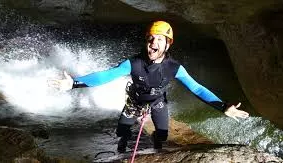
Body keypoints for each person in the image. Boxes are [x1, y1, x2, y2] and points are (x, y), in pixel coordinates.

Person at [49, 21, 249, 153]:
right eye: (150, 38)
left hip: (157, 102)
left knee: (161, 135)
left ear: (167, 45)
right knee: (123, 131)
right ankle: (121, 149)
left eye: (159, 39)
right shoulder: (133, 63)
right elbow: (105, 76)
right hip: (135, 101)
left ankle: (156, 152)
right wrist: (74, 83)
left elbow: (196, 89)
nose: (153, 42)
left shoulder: (174, 68)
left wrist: (223, 106)